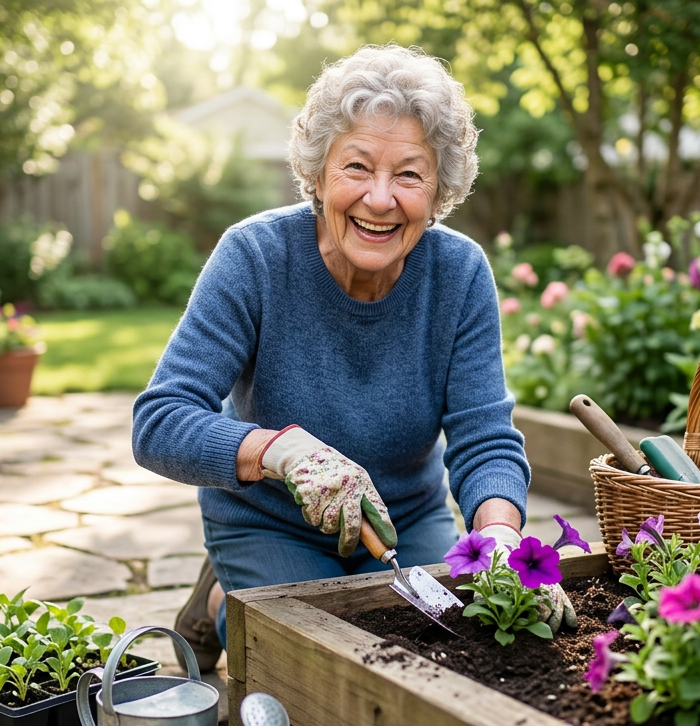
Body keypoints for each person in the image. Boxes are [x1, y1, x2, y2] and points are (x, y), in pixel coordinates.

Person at [132, 44, 573, 673]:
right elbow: (160, 421)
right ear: (317, 174)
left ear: (440, 189)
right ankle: (226, 593)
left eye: (410, 175)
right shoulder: (255, 257)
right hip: (269, 517)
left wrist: (500, 537)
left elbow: (485, 436)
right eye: (357, 166)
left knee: (439, 655)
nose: (380, 198)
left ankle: (233, 594)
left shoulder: (459, 273)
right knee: (311, 666)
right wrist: (281, 451)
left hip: (400, 519)